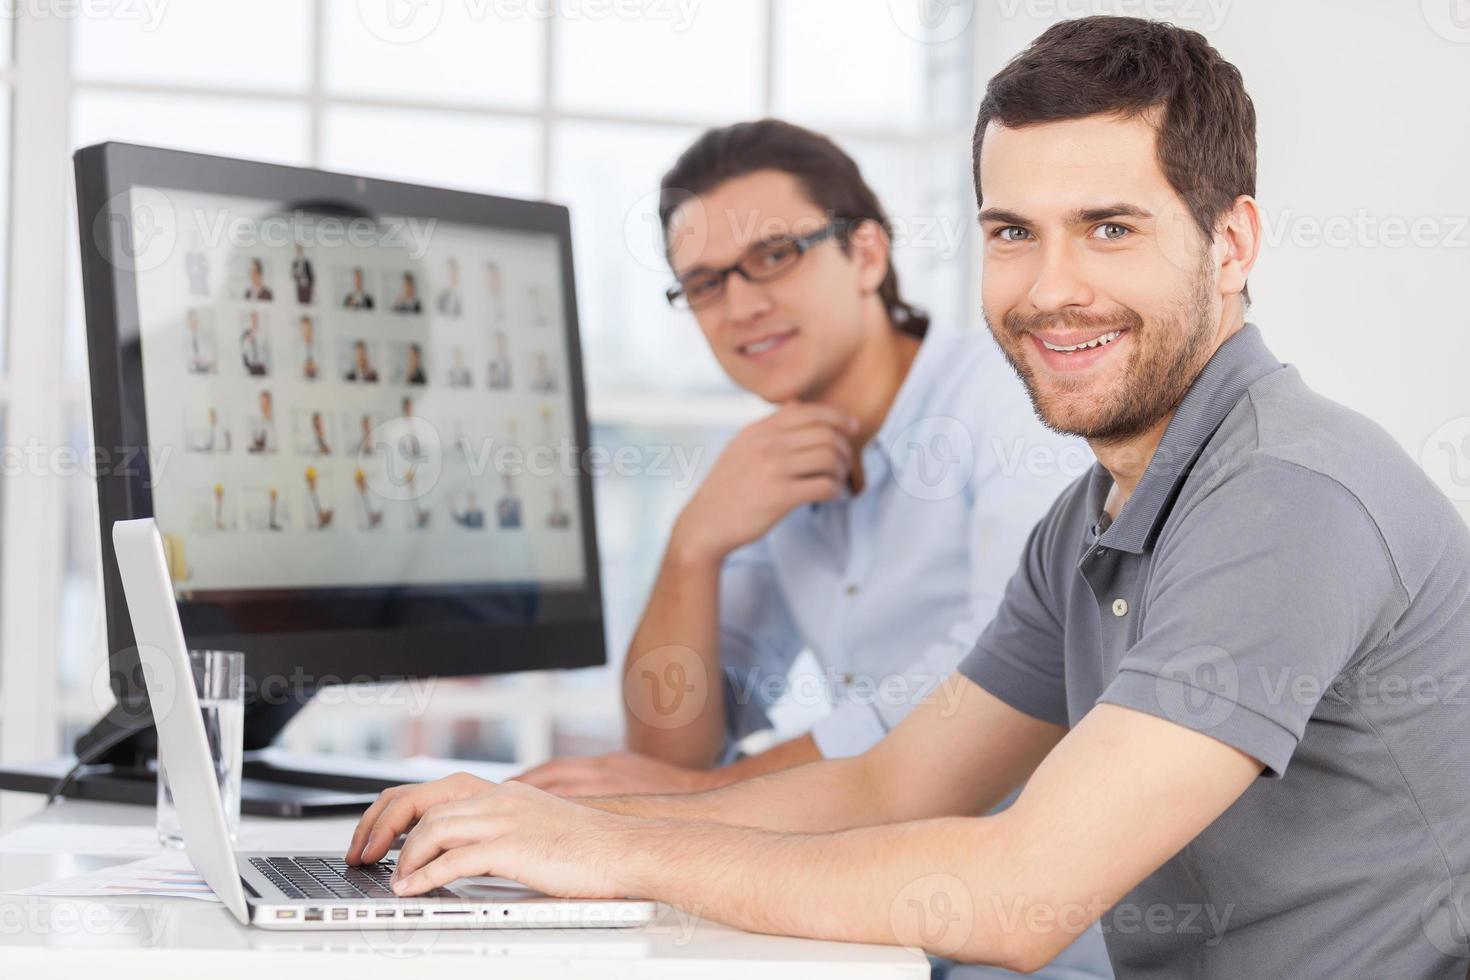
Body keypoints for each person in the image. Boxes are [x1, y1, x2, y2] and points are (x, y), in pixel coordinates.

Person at [346, 18, 1470, 978]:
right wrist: (559, 824)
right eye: (1011, 233)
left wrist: (614, 854)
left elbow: (1019, 894)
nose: (1050, 287)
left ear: (1232, 244)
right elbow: (891, 781)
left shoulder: (1288, 494)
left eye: (1110, 227)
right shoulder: (1092, 516)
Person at [516, 118, 1079, 813]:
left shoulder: (1009, 394)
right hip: (872, 894)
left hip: (1040, 902)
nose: (743, 306)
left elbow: (1010, 663)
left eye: (776, 255)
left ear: (867, 255)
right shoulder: (770, 464)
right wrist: (690, 548)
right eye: (705, 284)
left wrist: (713, 794)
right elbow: (668, 756)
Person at [239, 312, 269, 377]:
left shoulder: (261, 334)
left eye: (255, 320)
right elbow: (244, 351)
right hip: (251, 366)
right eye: (252, 320)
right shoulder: (245, 335)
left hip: (261, 365)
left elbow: (265, 350)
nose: (254, 322)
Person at [247, 390, 275, 454]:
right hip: (262, 450)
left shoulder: (273, 416)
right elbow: (256, 438)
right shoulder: (258, 418)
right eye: (261, 402)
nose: (263, 404)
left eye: (265, 402)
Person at [299, 315, 319, 380]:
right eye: (304, 330)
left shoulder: (317, 348)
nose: (307, 333)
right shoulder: (299, 349)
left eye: (309, 330)